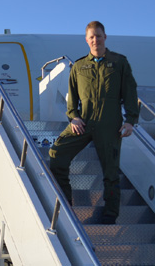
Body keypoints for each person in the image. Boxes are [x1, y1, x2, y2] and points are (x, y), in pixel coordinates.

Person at [48, 21, 139, 224]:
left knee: (111, 171)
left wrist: (131, 120)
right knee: (57, 154)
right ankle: (66, 205)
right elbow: (72, 96)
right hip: (85, 121)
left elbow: (130, 92)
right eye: (91, 37)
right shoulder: (79, 66)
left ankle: (110, 214)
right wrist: (74, 116)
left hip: (109, 123)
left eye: (98, 36)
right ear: (86, 40)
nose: (95, 40)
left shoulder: (119, 62)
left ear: (105, 37)